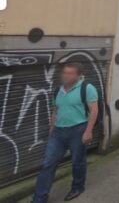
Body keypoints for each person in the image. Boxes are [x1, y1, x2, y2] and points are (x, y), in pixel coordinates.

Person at [33, 62, 98, 203]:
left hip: (78, 129)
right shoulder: (58, 90)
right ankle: (39, 199)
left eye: (70, 73)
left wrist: (88, 131)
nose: (65, 75)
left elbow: (94, 110)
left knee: (77, 162)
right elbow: (55, 111)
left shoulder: (87, 88)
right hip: (58, 132)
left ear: (78, 75)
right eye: (64, 72)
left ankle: (78, 187)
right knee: (48, 164)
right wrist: (52, 130)